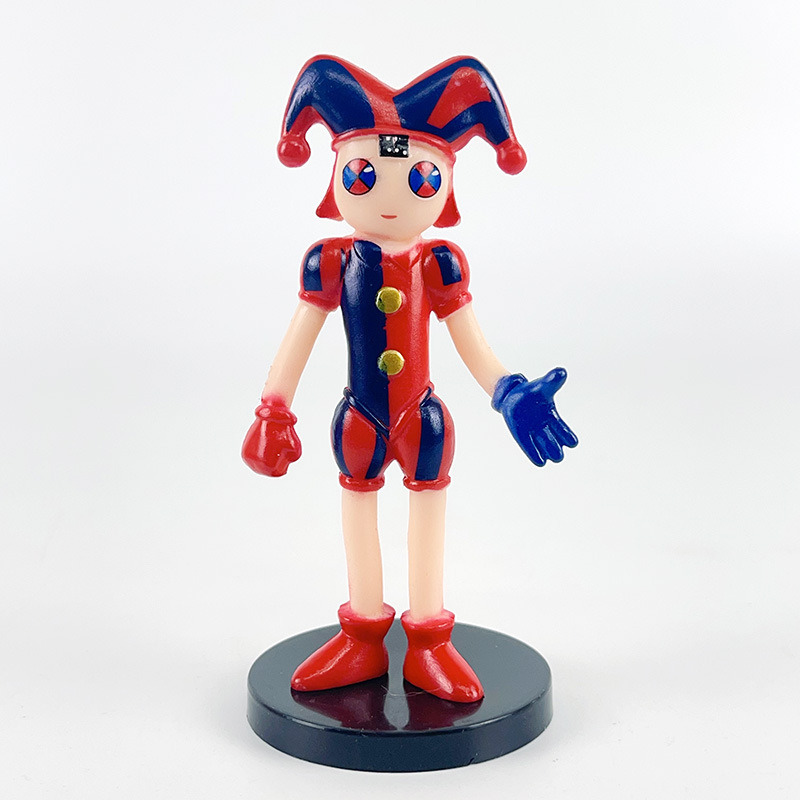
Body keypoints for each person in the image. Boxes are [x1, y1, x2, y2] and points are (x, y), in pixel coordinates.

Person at [242, 55, 577, 703]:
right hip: (359, 418)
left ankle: (428, 640)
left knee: (427, 511)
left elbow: (470, 339)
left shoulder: (440, 262)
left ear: (445, 188)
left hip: (421, 419)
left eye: (421, 178)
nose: (391, 197)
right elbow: (299, 337)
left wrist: (507, 391)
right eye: (363, 174)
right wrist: (272, 409)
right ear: (336, 179)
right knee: (358, 508)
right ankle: (363, 636)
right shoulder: (330, 261)